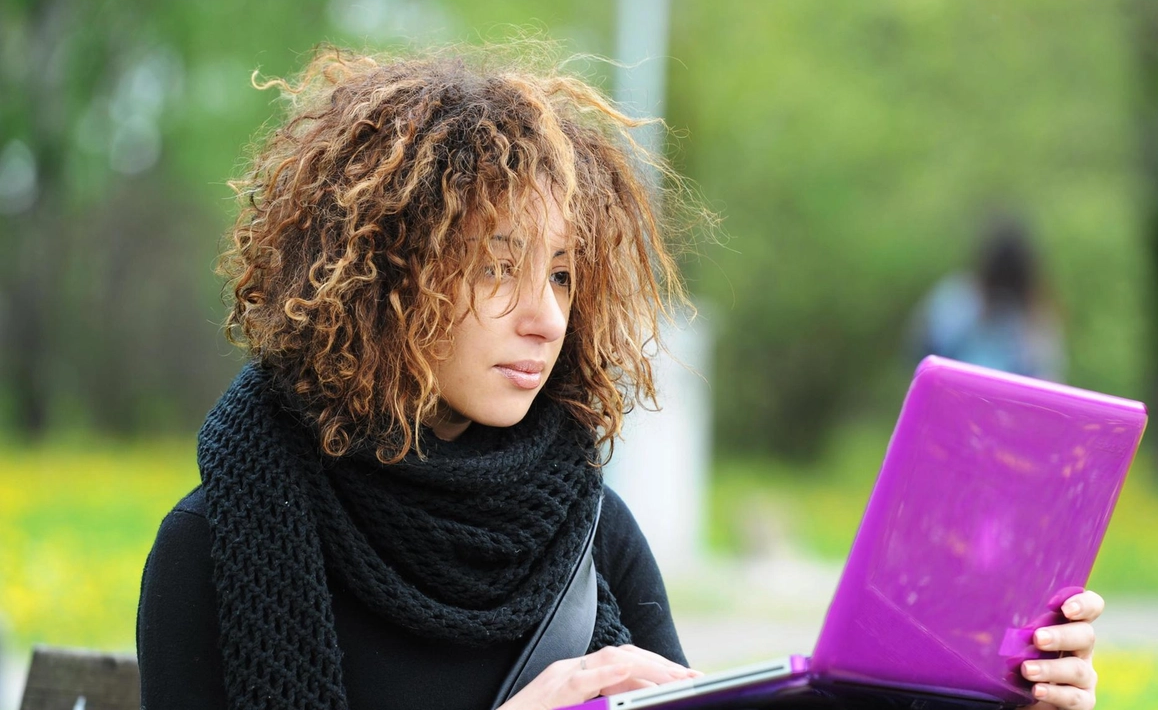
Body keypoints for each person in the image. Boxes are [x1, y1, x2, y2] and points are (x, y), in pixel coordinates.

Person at [137, 44, 1105, 710]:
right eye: (495, 265)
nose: (544, 312)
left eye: (561, 271)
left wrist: (1000, 689)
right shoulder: (212, 550)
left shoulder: (590, 531)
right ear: (383, 275)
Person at [910, 213, 1066, 381]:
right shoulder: (1036, 317)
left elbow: (921, 350)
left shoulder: (956, 298)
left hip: (950, 396)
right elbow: (1047, 377)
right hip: (1003, 404)